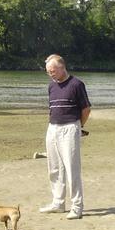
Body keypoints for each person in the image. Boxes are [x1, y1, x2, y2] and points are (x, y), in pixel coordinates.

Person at [39, 54, 91, 220]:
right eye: (48, 72)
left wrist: (78, 127)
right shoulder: (51, 86)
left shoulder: (77, 84)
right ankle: (58, 203)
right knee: (54, 168)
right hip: (52, 127)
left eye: (52, 71)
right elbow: (52, 108)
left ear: (62, 67)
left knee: (71, 169)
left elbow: (86, 109)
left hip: (70, 127)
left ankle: (77, 207)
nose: (50, 74)